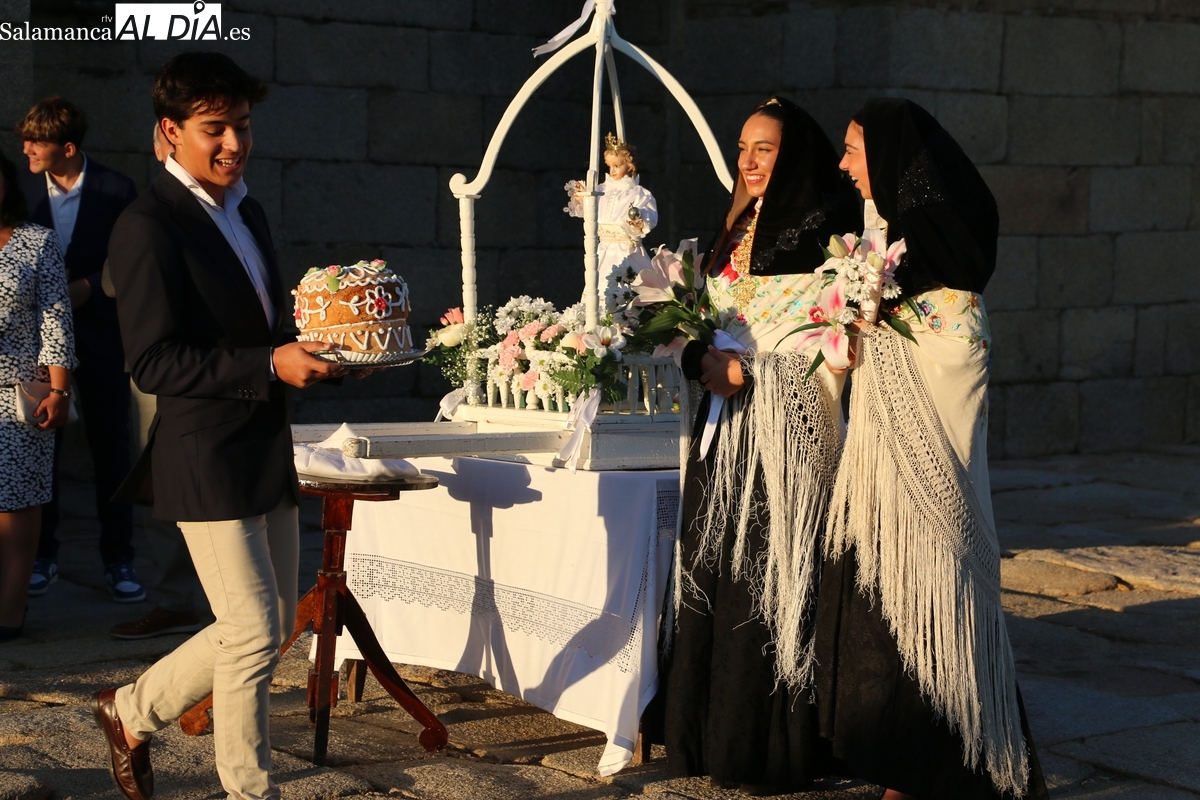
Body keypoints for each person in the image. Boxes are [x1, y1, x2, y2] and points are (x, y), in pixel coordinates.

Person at [92, 52, 344, 800]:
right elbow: (152, 363)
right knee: (254, 630)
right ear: (170, 131)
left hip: (264, 445)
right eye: (215, 129)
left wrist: (328, 351)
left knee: (266, 625)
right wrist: (270, 364)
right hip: (203, 453)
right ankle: (249, 790)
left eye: (242, 125)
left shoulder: (248, 210)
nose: (234, 143)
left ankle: (129, 712)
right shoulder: (146, 225)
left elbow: (263, 328)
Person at [813, 98, 1048, 800]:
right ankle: (901, 766)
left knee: (935, 585)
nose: (843, 165)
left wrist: (877, 322)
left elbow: (957, 355)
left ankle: (943, 766)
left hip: (929, 478)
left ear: (887, 157)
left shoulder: (944, 267)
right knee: (880, 602)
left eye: (853, 150)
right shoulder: (876, 241)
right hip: (877, 471)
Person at [659, 97, 861, 793]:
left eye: (764, 149)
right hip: (723, 431)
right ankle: (713, 735)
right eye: (742, 147)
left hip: (784, 437)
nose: (747, 161)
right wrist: (700, 359)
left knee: (768, 577)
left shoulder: (827, 237)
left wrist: (747, 373)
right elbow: (696, 330)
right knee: (715, 570)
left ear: (792, 156)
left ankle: (769, 745)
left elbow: (834, 348)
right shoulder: (731, 231)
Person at [15, 97, 144, 603]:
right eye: (25, 140)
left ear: (67, 148)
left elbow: (129, 259)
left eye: (37, 142)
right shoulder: (22, 188)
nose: (27, 149)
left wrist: (89, 286)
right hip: (38, 342)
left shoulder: (117, 188)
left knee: (112, 448)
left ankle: (119, 559)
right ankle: (42, 555)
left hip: (102, 336)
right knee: (41, 446)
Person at [107, 123, 209, 640]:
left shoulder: (238, 211)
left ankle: (200, 600)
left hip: (219, 369)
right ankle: (177, 598)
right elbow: (114, 280)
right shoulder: (146, 215)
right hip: (161, 369)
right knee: (163, 484)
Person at [0, 146, 77, 642]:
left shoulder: (36, 241)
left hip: (17, 392)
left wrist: (60, 389)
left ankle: (9, 612)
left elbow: (56, 320)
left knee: (16, 505)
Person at [565, 132, 657, 311]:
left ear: (629, 165)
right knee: (598, 287)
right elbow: (591, 213)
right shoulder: (601, 189)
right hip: (604, 250)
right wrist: (583, 199)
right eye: (609, 166)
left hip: (626, 250)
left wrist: (637, 219)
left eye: (617, 165)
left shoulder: (638, 193)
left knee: (627, 289)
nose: (613, 170)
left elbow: (648, 216)